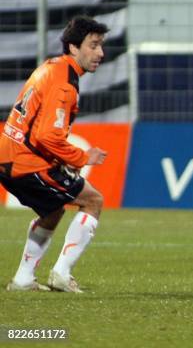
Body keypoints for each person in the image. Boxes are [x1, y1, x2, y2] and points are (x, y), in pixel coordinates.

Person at [1, 16, 109, 293]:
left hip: (9, 155)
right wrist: (82, 157)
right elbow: (48, 136)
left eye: (101, 46)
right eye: (93, 45)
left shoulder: (53, 67)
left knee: (53, 210)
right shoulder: (64, 83)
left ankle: (24, 280)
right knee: (93, 200)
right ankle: (61, 273)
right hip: (26, 161)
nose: (100, 53)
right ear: (74, 47)